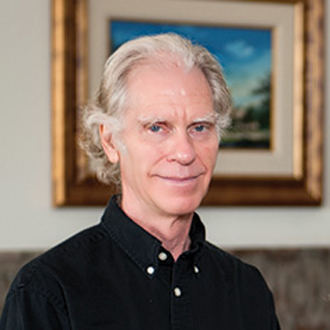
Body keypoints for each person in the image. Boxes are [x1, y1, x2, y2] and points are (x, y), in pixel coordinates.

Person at [0, 33, 280, 329]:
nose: (184, 153)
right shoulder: (47, 292)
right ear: (110, 141)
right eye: (157, 127)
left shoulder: (248, 290)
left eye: (199, 127)